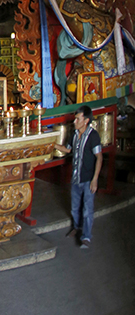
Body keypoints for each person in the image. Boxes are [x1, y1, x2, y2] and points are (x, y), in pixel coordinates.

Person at [55, 105, 103, 249]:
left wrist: (95, 179)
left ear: (86, 120)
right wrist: (53, 145)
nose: (75, 121)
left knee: (87, 209)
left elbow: (99, 158)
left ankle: (86, 236)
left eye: (77, 119)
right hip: (76, 178)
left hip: (88, 179)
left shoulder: (93, 136)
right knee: (75, 208)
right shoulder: (75, 134)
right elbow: (68, 149)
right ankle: (77, 227)